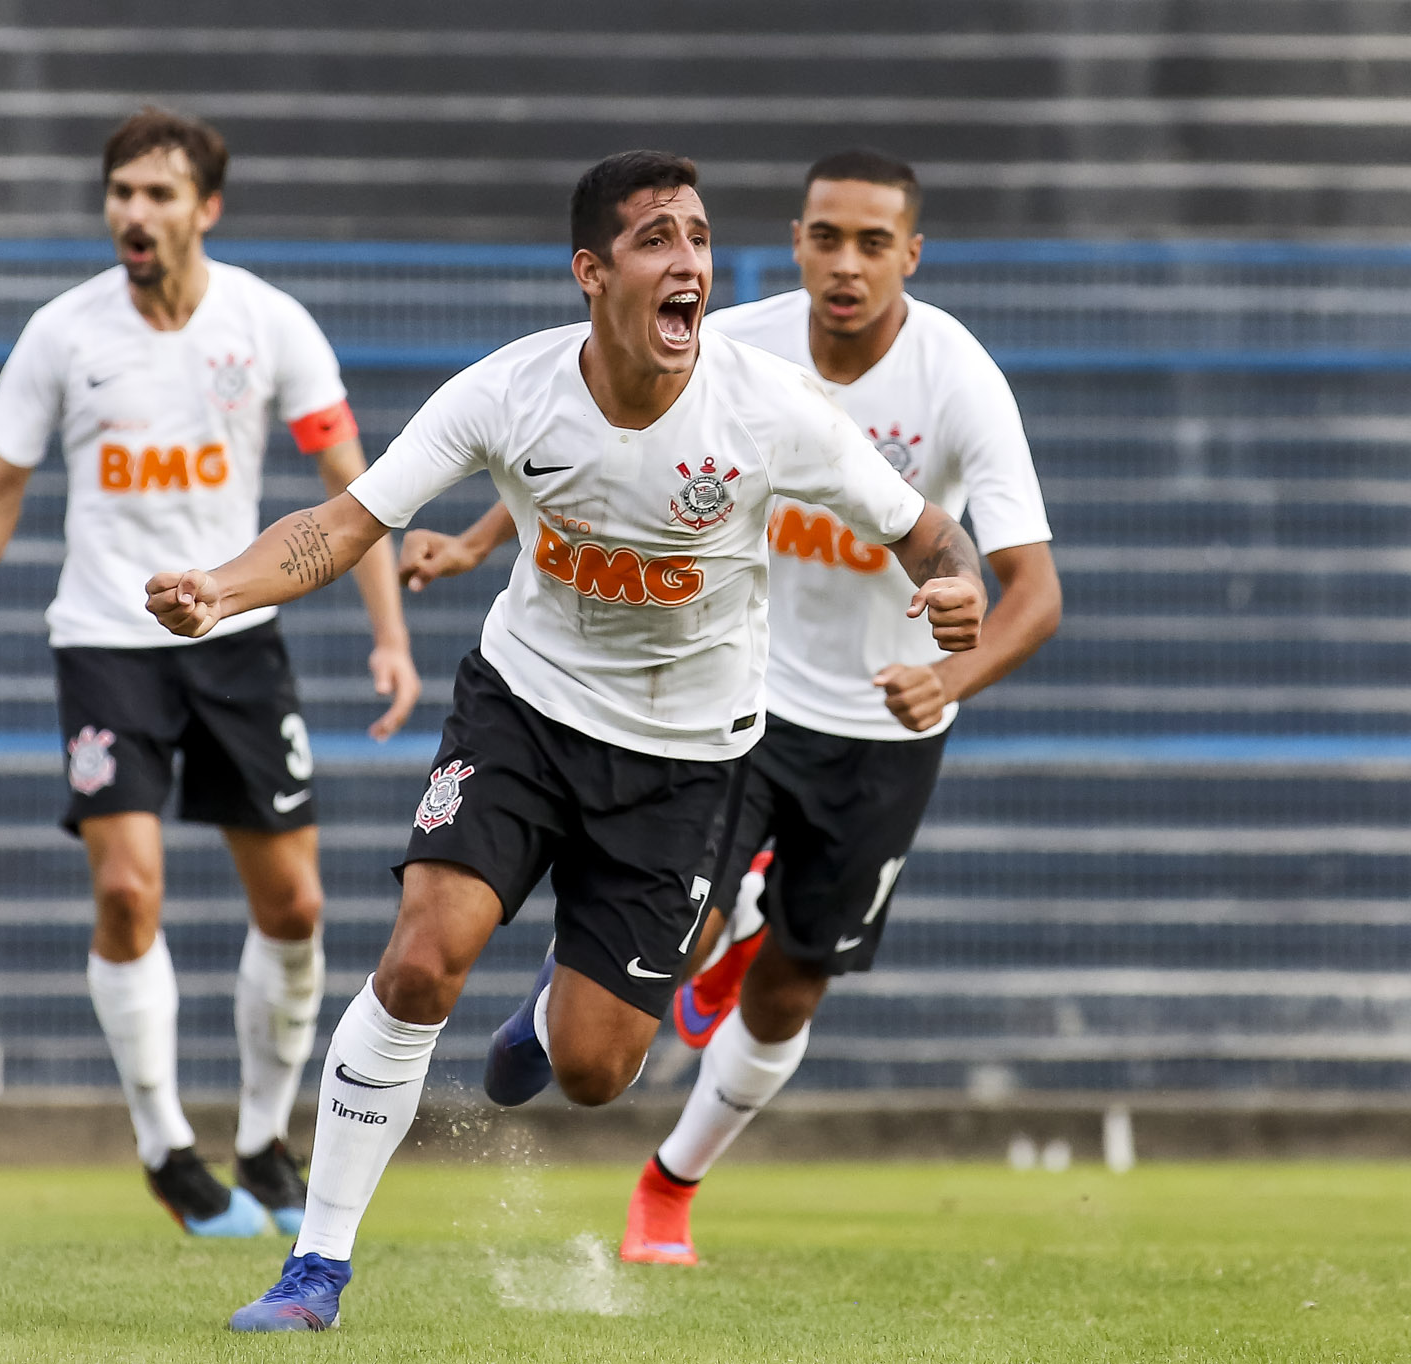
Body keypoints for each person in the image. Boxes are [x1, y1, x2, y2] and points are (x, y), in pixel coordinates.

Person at [145, 149, 989, 1331]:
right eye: (655, 239)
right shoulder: (506, 390)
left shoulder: (767, 410)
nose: (686, 260)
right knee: (421, 954)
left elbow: (931, 536)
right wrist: (220, 589)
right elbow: (346, 521)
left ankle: (546, 1012)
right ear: (592, 274)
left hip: (688, 758)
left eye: (695, 237)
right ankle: (313, 1267)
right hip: (525, 711)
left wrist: (955, 599)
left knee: (596, 1069)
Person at [407, 148, 1061, 1266]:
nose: (842, 264)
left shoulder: (956, 378)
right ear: (795, 239)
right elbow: (591, 460)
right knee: (686, 929)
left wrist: (943, 671)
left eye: (870, 242)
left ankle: (670, 1181)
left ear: (912, 253)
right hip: (739, 703)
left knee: (790, 983)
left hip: (884, 727)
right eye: (822, 237)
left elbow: (1032, 593)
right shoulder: (727, 342)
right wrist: (474, 538)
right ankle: (606, 994)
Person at [0, 107, 421, 1239]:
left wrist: (387, 634)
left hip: (235, 638)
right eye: (119, 193)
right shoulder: (63, 334)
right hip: (106, 641)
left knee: (295, 903)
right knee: (124, 890)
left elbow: (353, 485)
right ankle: (163, 1141)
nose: (132, 214)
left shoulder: (269, 322)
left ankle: (260, 1134)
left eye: (157, 194)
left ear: (206, 208)